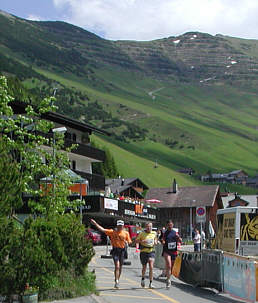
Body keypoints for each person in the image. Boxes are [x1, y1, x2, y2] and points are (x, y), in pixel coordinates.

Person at [90, 218, 132, 289]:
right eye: (119, 225)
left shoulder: (126, 233)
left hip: (122, 251)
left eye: (121, 226)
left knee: (120, 266)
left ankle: (117, 278)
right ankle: (117, 282)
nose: (120, 227)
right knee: (117, 266)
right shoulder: (112, 232)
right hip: (115, 250)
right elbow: (102, 229)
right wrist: (95, 223)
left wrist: (127, 242)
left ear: (123, 226)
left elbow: (130, 241)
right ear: (117, 225)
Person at [135, 222, 158, 289]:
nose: (149, 228)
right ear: (145, 227)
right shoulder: (142, 233)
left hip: (151, 251)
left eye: (150, 226)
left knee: (151, 266)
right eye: (148, 226)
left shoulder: (154, 233)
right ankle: (143, 279)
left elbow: (155, 238)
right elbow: (136, 241)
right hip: (143, 251)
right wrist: (142, 241)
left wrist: (156, 241)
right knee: (144, 267)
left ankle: (151, 283)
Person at [161, 220, 182, 289]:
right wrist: (163, 241)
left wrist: (179, 238)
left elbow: (180, 241)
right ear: (167, 225)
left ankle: (168, 276)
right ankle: (168, 280)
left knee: (171, 266)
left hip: (173, 251)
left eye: (171, 225)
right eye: (169, 225)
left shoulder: (175, 232)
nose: (170, 226)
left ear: (172, 225)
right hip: (166, 251)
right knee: (169, 265)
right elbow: (161, 239)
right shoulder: (165, 233)